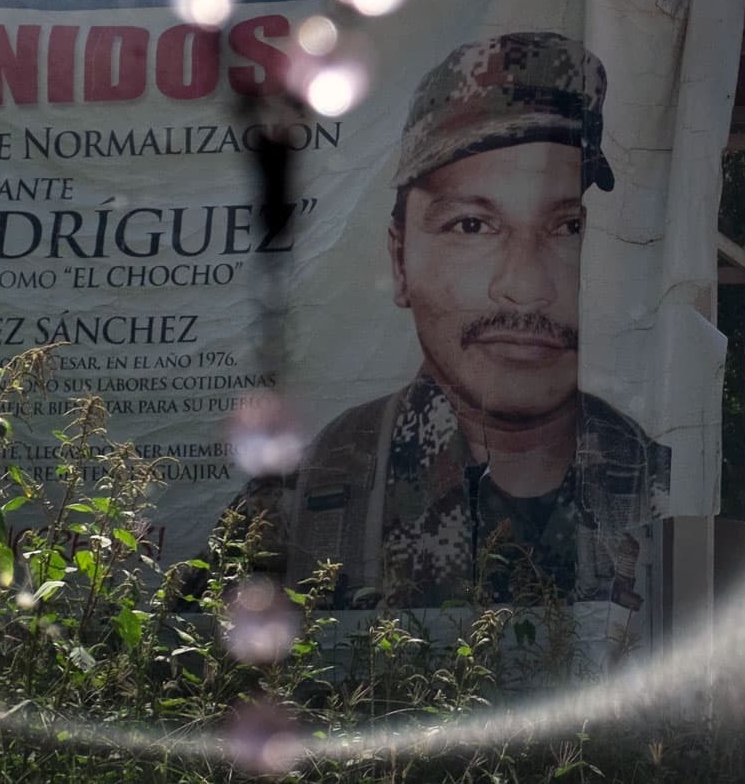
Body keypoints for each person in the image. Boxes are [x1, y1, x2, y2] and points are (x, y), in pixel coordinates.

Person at [237, 30, 668, 609]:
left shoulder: (660, 486)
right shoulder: (309, 498)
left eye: (569, 228)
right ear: (399, 262)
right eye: (471, 225)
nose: (525, 288)